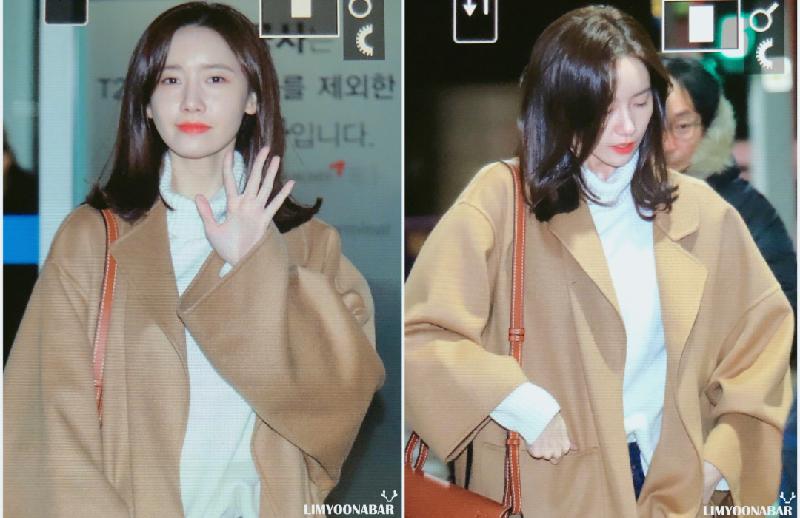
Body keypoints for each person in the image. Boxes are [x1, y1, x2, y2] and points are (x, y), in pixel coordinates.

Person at [405, 6, 793, 517]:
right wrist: (519, 402)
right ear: (562, 105)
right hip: (546, 486)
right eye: (605, 108)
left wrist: (716, 465)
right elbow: (423, 337)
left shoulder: (700, 212)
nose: (627, 125)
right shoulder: (501, 200)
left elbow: (762, 344)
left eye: (640, 102)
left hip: (670, 490)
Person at [4, 3, 385, 517]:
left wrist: (253, 264)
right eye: (170, 79)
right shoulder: (90, 240)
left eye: (216, 78)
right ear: (146, 103)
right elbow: (46, 429)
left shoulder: (309, 245)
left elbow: (338, 405)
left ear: (252, 98)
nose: (191, 100)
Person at [662, 57, 797, 363]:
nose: (667, 143)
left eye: (682, 126)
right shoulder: (617, 204)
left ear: (710, 127)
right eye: (653, 125)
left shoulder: (745, 209)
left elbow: (784, 310)